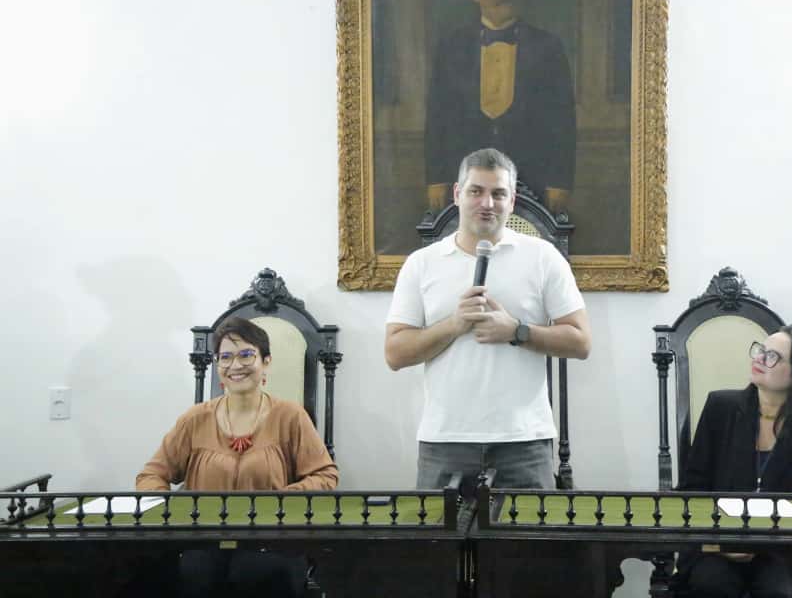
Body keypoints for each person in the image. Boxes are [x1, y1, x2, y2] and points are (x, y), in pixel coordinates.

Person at [386, 147, 591, 491]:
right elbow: (395, 353)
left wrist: (517, 332)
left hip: (524, 442)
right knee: (438, 530)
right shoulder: (421, 263)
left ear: (512, 201)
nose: (487, 203)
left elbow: (581, 341)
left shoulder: (543, 257)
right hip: (445, 440)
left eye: (498, 193)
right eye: (476, 191)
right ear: (457, 194)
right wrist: (454, 325)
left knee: (530, 530)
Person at [136, 316, 338, 598]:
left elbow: (325, 476)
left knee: (257, 572)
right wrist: (172, 511)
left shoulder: (291, 416)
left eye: (246, 355)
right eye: (226, 357)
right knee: (188, 572)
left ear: (266, 361)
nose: (235, 365)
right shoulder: (195, 418)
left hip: (271, 537)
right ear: (218, 366)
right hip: (203, 538)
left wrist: (282, 499)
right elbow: (151, 475)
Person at [678, 326, 792, 598]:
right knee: (712, 585)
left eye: (772, 356)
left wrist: (778, 540)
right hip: (719, 542)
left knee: (776, 591)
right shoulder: (721, 406)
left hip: (784, 548)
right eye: (760, 350)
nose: (758, 358)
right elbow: (693, 487)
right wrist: (717, 542)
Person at [424, 0, 576, 215]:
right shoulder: (452, 48)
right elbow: (437, 117)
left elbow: (562, 121)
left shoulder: (547, 47)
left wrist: (559, 182)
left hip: (532, 180)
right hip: (464, 178)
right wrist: (436, 178)